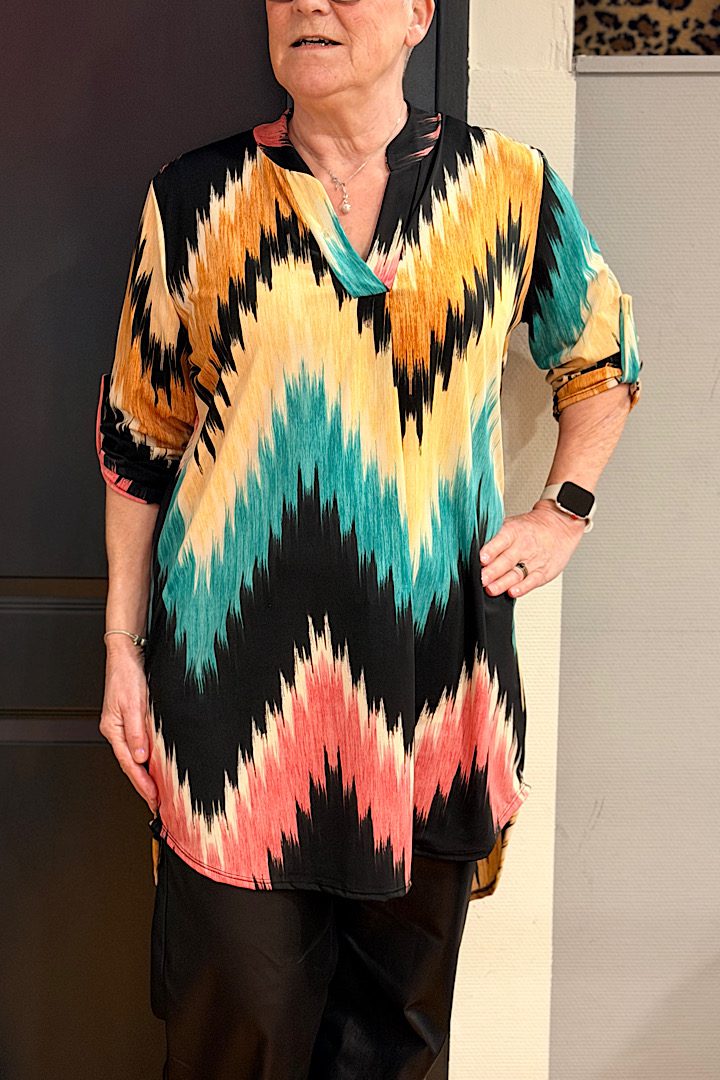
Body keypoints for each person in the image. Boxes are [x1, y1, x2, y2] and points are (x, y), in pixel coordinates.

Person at [95, 0, 643, 1076]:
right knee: (235, 1035)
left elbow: (603, 356)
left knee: (394, 1044)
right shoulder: (196, 198)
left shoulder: (506, 187)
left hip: (429, 689)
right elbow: (138, 435)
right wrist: (122, 644)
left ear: (416, 16)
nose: (310, 4)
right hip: (236, 701)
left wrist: (562, 510)